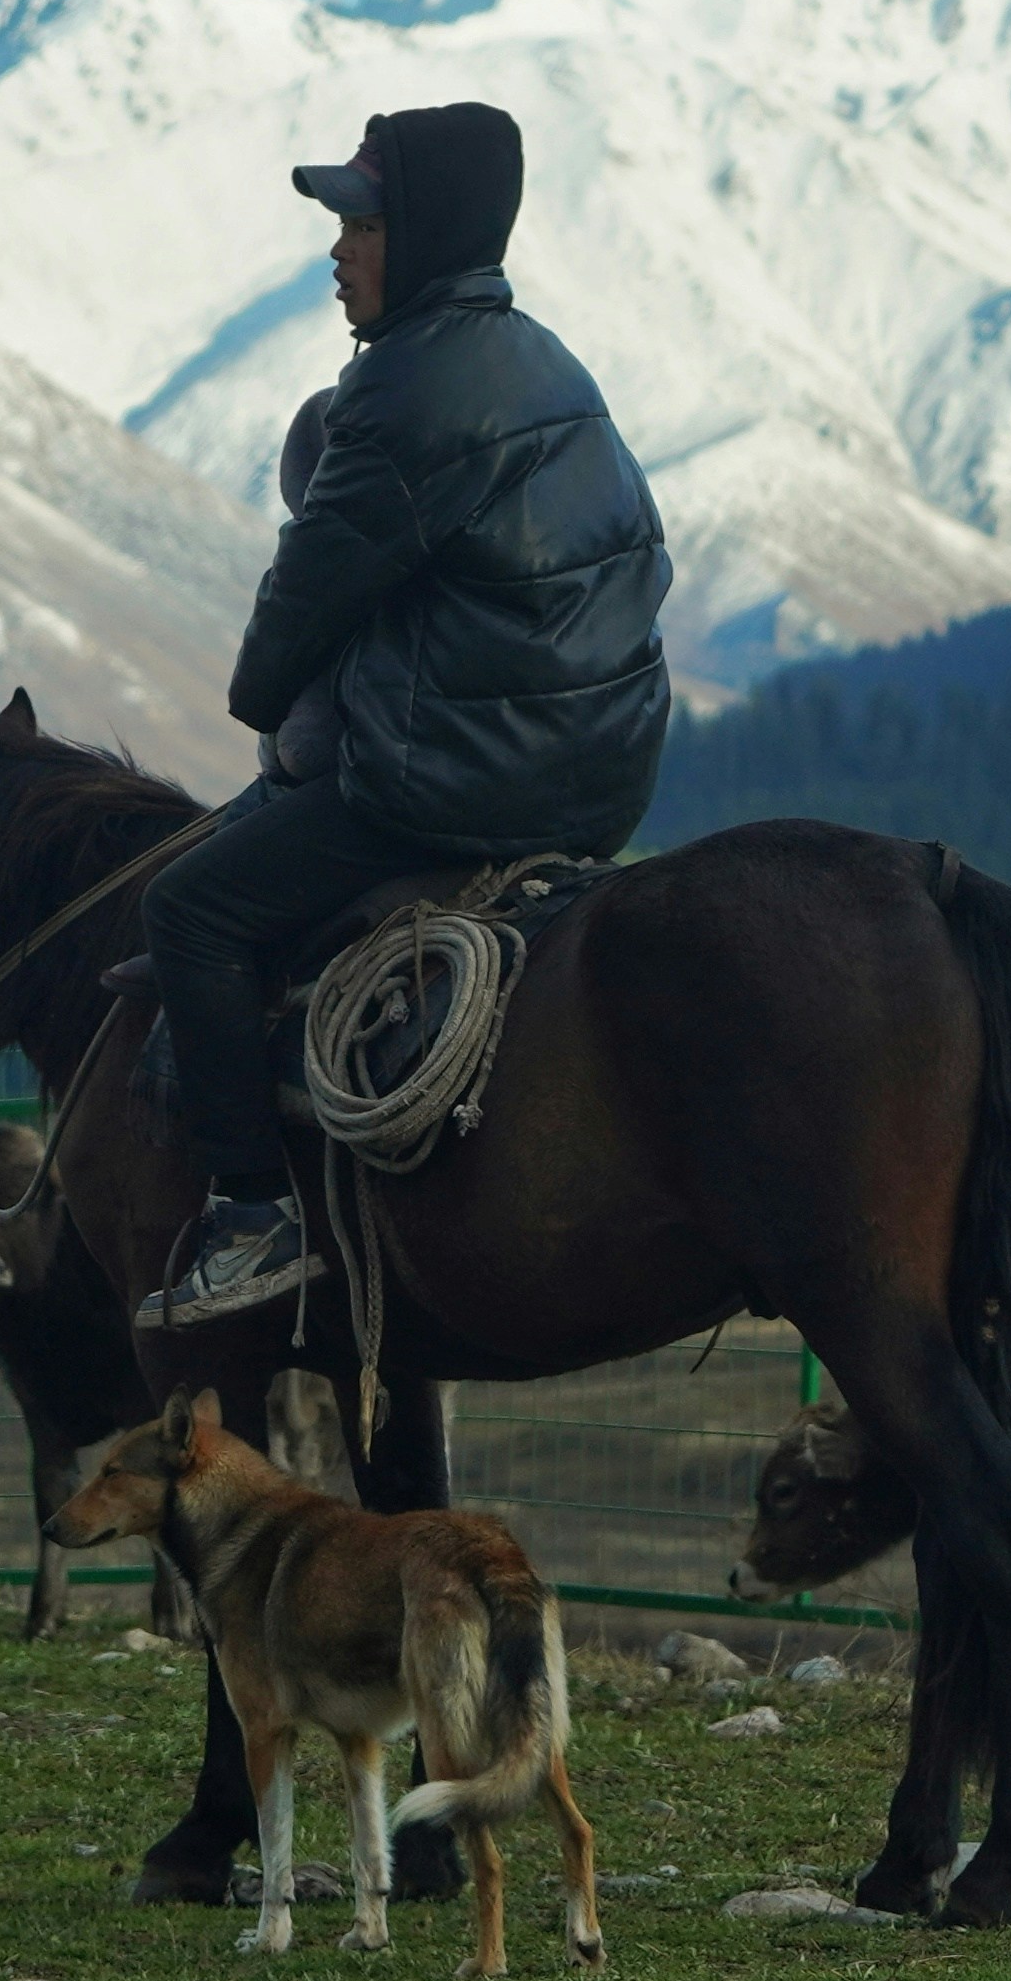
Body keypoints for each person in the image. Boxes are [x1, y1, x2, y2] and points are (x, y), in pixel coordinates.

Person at [138, 99, 673, 1329]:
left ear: (421, 236)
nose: (338, 252)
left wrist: (260, 704)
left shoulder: (402, 388)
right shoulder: (549, 362)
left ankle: (252, 1216)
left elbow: (303, 601)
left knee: (191, 907)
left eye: (361, 225)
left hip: (458, 781)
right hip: (601, 779)